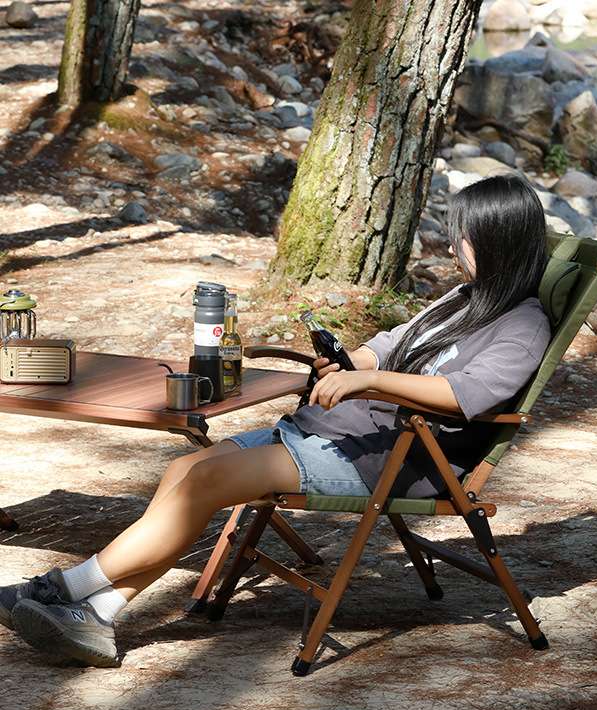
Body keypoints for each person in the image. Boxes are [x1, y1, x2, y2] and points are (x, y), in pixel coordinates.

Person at [0, 174, 551, 668]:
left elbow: (462, 395)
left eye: (463, 238)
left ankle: (60, 588)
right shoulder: (465, 298)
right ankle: (99, 614)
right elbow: (386, 346)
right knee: (183, 472)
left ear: (499, 241)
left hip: (394, 458)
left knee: (205, 480)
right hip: (346, 432)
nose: (453, 247)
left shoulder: (524, 326)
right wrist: (351, 365)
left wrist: (371, 383)